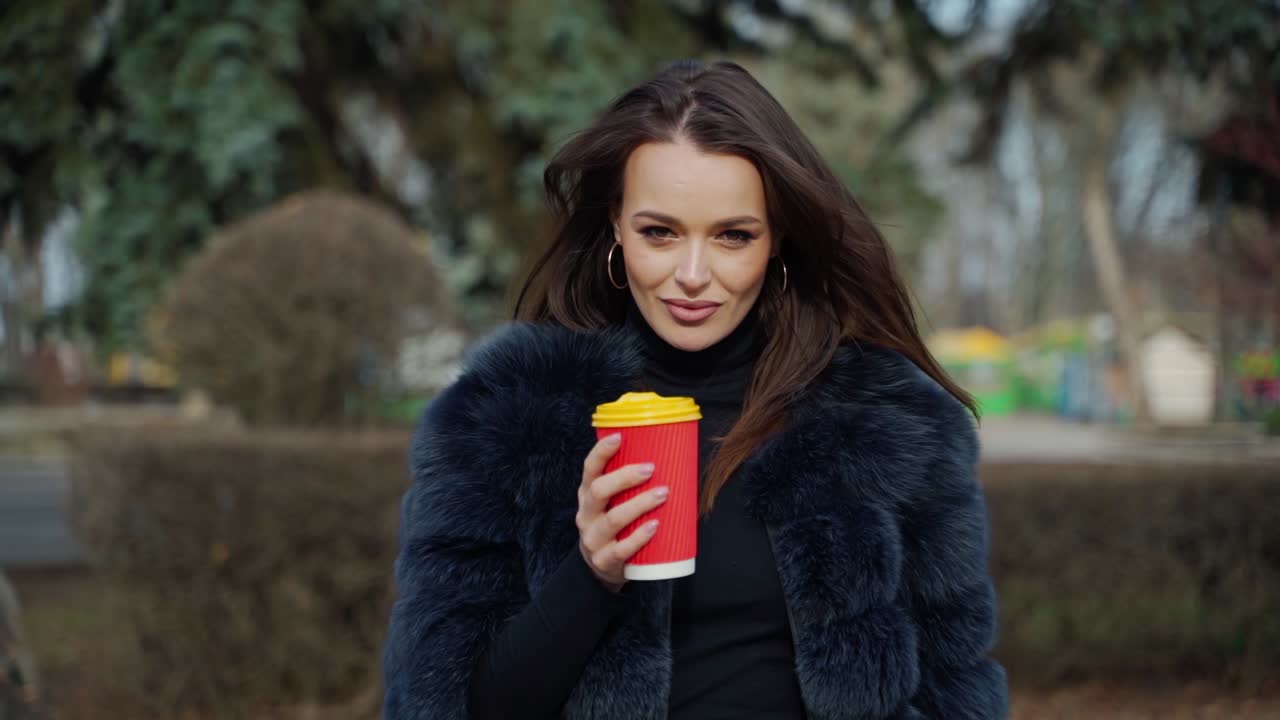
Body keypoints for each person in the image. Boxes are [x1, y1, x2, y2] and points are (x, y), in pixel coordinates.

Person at [383, 59, 1007, 720]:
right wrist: (591, 572)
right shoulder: (505, 417)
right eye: (659, 232)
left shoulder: (887, 420)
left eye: (733, 236)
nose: (692, 274)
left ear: (777, 241)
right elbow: (441, 703)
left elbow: (956, 686)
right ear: (615, 226)